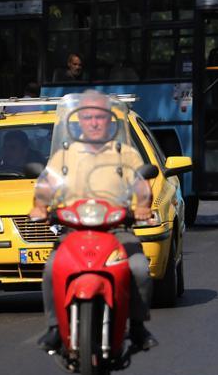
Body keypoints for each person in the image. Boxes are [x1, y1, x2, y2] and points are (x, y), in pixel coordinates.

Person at [29, 91, 157, 352]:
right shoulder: (65, 155)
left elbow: (141, 185)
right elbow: (46, 184)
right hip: (73, 231)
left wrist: (143, 207)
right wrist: (40, 206)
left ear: (110, 120)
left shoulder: (126, 154)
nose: (94, 122)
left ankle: (137, 327)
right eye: (88, 117)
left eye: (100, 116)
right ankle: (54, 328)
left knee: (139, 269)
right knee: (52, 268)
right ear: (79, 120)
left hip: (117, 230)